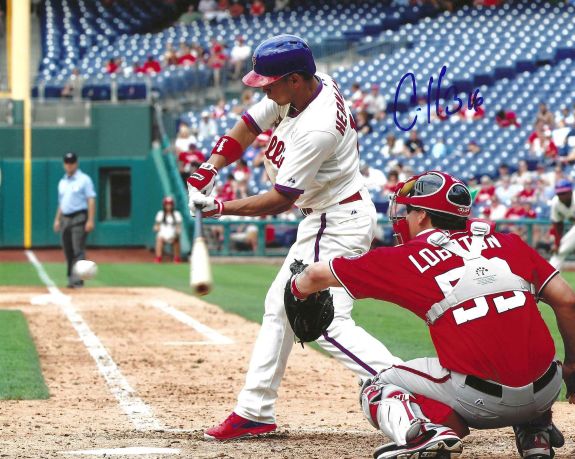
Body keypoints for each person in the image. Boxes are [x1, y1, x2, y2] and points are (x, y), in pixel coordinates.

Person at [187, 34, 402, 440]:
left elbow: (280, 199)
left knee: (323, 319)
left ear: (295, 79)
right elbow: (248, 125)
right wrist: (210, 167)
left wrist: (219, 207)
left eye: (269, 83)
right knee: (280, 307)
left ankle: (411, 387)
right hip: (328, 215)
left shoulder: (317, 126)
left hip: (335, 221)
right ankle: (254, 411)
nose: (264, 90)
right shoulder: (301, 89)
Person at [286, 171, 574, 459]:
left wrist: (298, 288)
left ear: (422, 215)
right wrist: (572, 366)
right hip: (547, 389)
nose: (404, 218)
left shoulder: (407, 257)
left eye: (409, 211)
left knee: (376, 386)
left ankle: (424, 433)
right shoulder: (509, 243)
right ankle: (536, 434)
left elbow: (314, 275)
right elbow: (567, 301)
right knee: (521, 350)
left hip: (478, 402)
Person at [53, 152, 96, 288]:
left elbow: (91, 199)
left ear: (76, 163)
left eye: (71, 162)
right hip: (65, 218)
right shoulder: (62, 182)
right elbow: (61, 203)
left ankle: (77, 280)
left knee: (78, 249)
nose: (69, 165)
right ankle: (71, 279)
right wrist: (57, 219)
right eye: (67, 162)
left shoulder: (84, 179)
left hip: (79, 217)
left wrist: (90, 220)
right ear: (64, 164)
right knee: (68, 250)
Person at [549, 179, 575, 270]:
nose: (561, 196)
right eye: (559, 193)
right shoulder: (555, 203)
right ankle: (550, 275)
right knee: (560, 250)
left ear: (570, 192)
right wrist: (557, 243)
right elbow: (557, 224)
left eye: (563, 193)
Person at [153, 197, 182, 263]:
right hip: (162, 236)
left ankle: (177, 258)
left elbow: (178, 227)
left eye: (170, 204)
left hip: (173, 235)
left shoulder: (177, 214)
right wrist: (156, 228)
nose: (168, 206)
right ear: (164, 205)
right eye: (167, 204)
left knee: (177, 239)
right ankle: (158, 258)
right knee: (159, 239)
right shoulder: (160, 214)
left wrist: (177, 233)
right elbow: (156, 226)